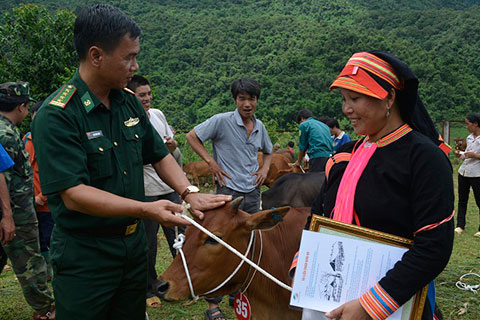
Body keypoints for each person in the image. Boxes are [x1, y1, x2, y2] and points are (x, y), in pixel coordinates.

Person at [31, 5, 231, 320]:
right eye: (128, 57)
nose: (134, 65)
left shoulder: (127, 103)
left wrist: (188, 190)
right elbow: (73, 193)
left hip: (133, 248)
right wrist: (145, 208)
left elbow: (158, 154)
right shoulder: (58, 115)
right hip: (87, 254)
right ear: (96, 56)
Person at [303, 51, 454, 320]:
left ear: (389, 97)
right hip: (330, 300)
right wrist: (302, 269)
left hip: (392, 304)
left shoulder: (423, 157)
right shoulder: (343, 156)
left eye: (355, 98)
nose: (346, 109)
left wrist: (369, 305)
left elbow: (434, 246)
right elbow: (318, 216)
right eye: (343, 99)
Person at [186, 77, 273, 320]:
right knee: (219, 244)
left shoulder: (260, 126)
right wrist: (211, 162)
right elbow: (193, 137)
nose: (247, 103)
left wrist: (264, 171)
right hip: (227, 191)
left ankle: (239, 291)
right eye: (242, 98)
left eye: (252, 98)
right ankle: (213, 304)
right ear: (235, 100)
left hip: (252, 190)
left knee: (249, 240)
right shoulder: (221, 121)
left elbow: (268, 152)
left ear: (257, 101)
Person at [127, 75, 185, 308]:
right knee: (149, 243)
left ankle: (182, 282)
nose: (148, 98)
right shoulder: (128, 121)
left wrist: (172, 146)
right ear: (132, 96)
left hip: (169, 188)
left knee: (179, 238)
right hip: (147, 191)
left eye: (149, 93)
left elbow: (171, 145)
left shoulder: (158, 115)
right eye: (142, 95)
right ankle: (149, 288)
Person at [0, 82, 55, 320]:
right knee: (30, 264)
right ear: (22, 107)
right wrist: (8, 215)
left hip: (13, 211)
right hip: (16, 213)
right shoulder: (6, 135)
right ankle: (46, 310)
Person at [23, 100, 54, 280]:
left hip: (48, 202)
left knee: (50, 238)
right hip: (33, 202)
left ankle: (52, 270)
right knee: (40, 239)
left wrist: (43, 196)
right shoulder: (28, 139)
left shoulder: (51, 140)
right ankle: (45, 272)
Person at [454, 113, 480, 238]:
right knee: (462, 200)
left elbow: (474, 155)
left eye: (468, 124)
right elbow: (466, 154)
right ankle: (460, 225)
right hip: (464, 171)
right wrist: (460, 154)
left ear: (475, 124)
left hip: (477, 173)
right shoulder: (469, 138)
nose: (466, 126)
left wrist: (475, 156)